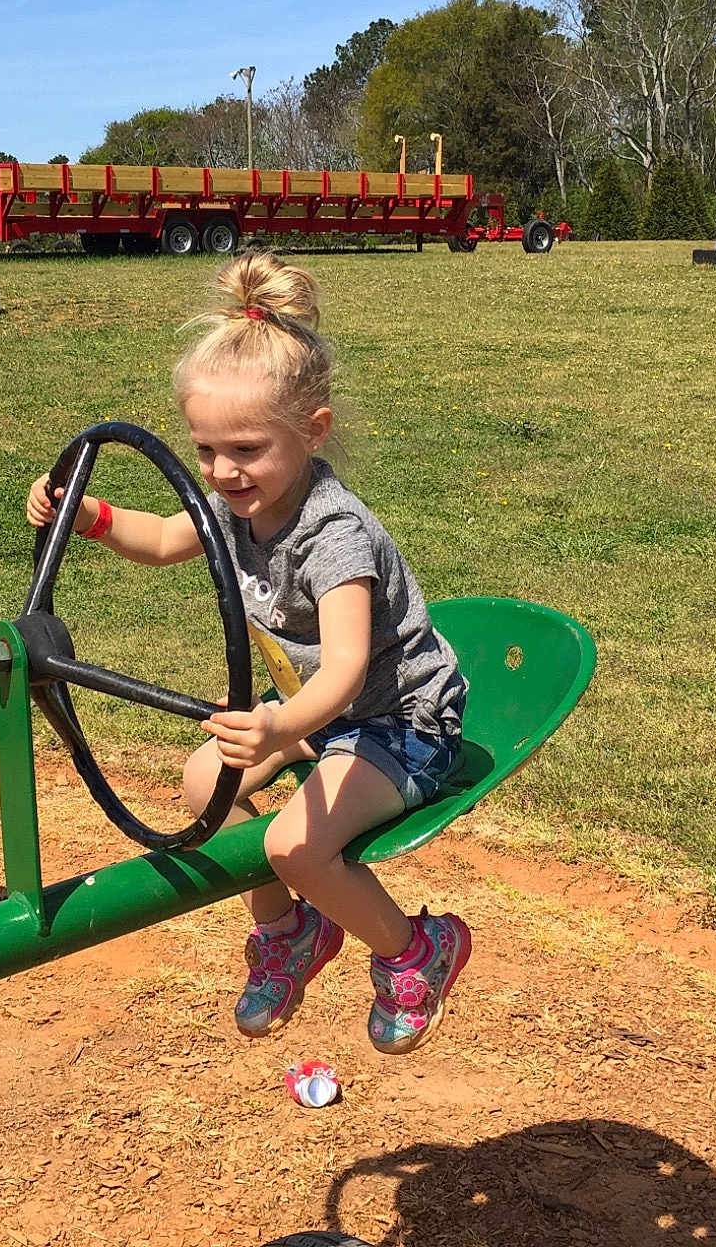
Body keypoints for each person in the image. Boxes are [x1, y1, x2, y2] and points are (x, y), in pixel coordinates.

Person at [25, 252, 471, 1054]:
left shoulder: (333, 535)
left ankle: (414, 949)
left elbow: (345, 666)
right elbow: (164, 539)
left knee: (293, 845)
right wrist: (88, 515)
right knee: (205, 782)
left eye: (246, 450)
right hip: (318, 714)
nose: (223, 472)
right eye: (205, 451)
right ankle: (290, 932)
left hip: (399, 722)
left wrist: (277, 728)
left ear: (313, 431)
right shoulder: (239, 504)